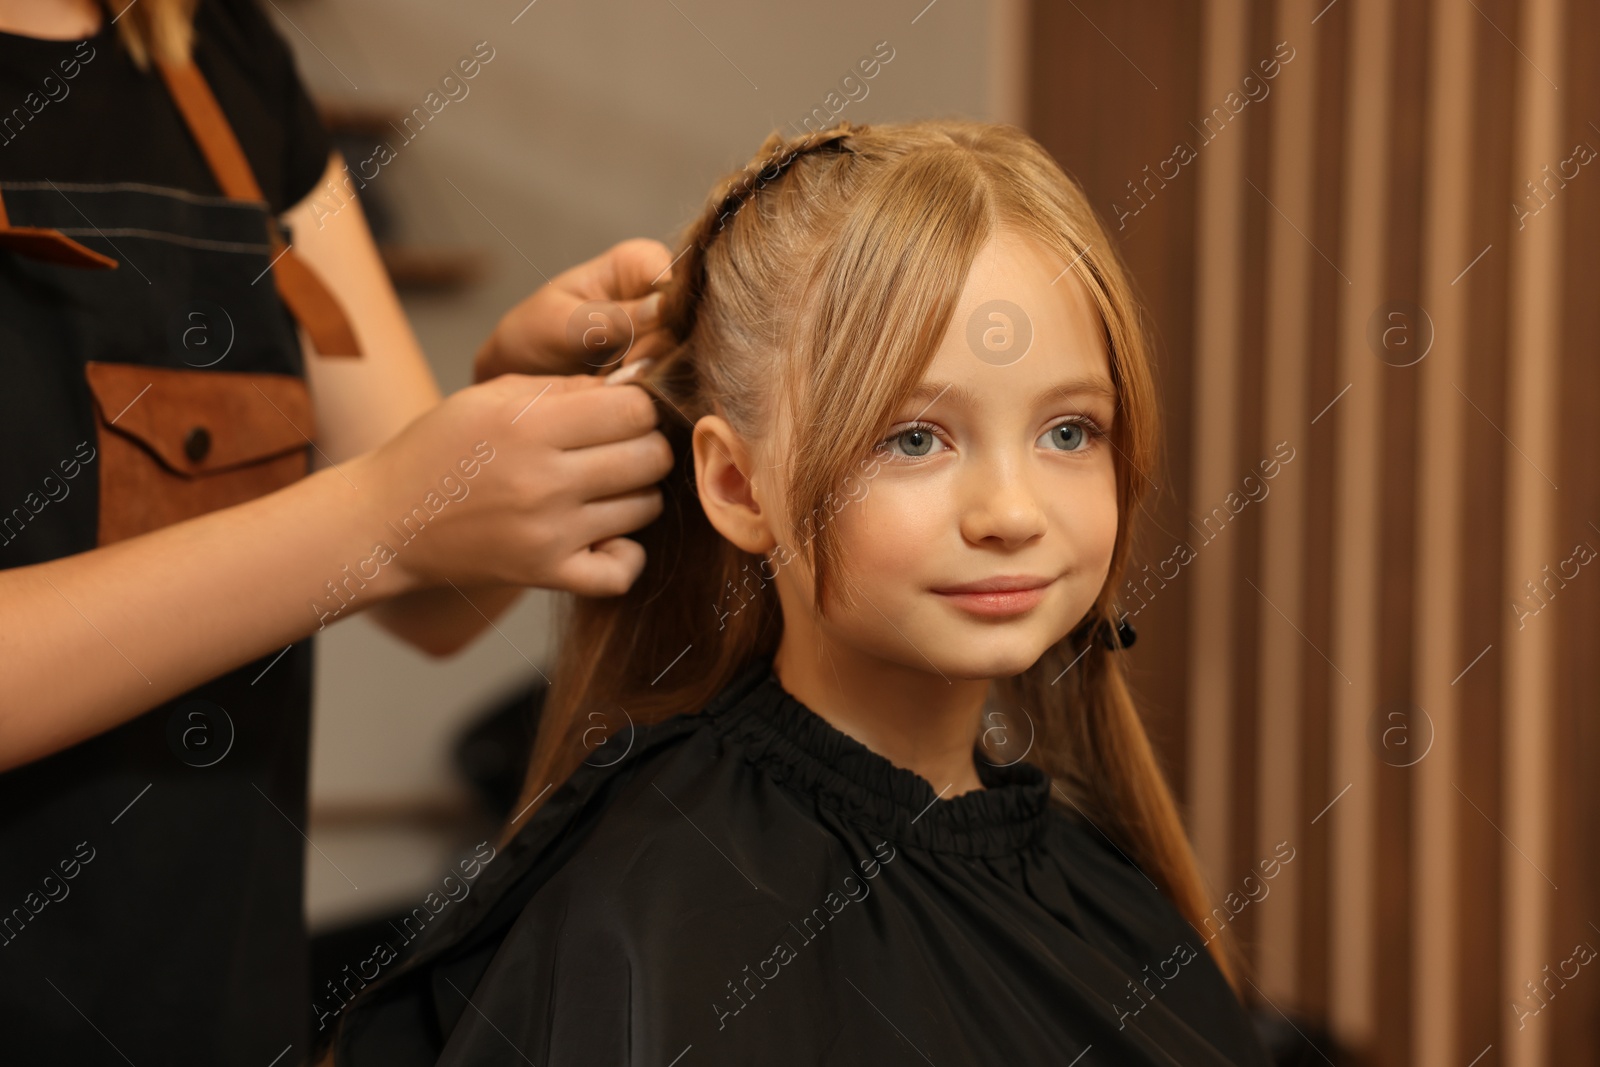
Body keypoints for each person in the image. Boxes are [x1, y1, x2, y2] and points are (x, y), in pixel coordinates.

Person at [323, 121, 1273, 1065]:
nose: (1012, 511)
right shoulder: (655, 905)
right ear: (737, 486)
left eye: (1069, 431)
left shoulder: (1115, 897)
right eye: (913, 438)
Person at [0, 0, 675, 1063]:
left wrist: (519, 411)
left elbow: (436, 605)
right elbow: (388, 533)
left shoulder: (226, 66)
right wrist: (387, 518)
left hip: (211, 1011)